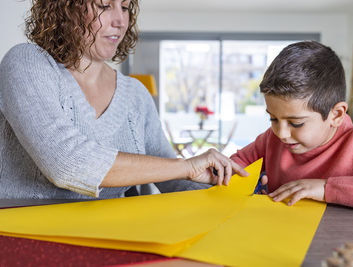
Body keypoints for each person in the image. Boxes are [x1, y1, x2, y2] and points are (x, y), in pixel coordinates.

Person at [0, 0, 247, 199]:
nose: (120, 21)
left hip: (112, 239)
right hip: (27, 239)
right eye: (104, 6)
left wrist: (235, 189)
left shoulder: (136, 94)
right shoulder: (25, 63)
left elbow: (172, 176)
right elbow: (68, 164)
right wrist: (187, 166)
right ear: (66, 8)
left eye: (126, 7)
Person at [231, 41, 353, 216]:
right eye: (273, 118)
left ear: (336, 115)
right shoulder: (271, 139)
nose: (281, 133)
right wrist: (230, 177)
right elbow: (235, 167)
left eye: (296, 123)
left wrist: (326, 188)